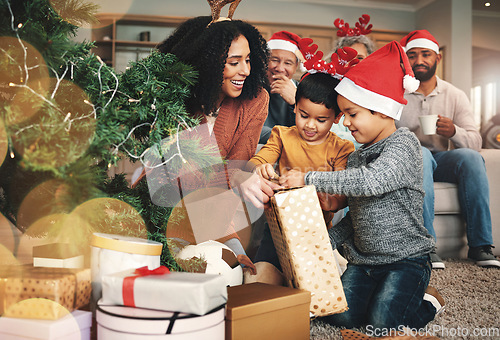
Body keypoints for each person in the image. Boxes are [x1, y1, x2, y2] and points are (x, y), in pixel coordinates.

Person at [282, 41, 443, 330]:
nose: (345, 122)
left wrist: (308, 178)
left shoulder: (403, 144)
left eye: (352, 114)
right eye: (343, 114)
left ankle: (428, 302)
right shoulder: (356, 157)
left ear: (381, 110)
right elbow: (356, 215)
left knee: (384, 323)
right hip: (364, 262)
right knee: (340, 315)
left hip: (405, 261)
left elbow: (371, 181)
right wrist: (325, 241)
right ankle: (383, 298)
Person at [153, 15, 278, 273]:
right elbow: (187, 178)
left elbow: (238, 163)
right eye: (234, 62)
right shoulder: (173, 96)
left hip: (213, 217)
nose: (245, 70)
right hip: (162, 212)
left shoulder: (256, 99)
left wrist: (241, 175)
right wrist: (237, 176)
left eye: (248, 60)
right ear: (207, 63)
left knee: (241, 276)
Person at [397, 29, 500, 269]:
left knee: (470, 158)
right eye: (412, 55)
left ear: (437, 58)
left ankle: (481, 245)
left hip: (442, 160)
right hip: (410, 160)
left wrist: (454, 132)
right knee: (420, 153)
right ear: (406, 59)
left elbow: (476, 142)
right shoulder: (397, 93)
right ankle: (426, 246)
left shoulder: (455, 95)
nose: (419, 60)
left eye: (425, 54)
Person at [245, 69, 356, 284]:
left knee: (315, 289)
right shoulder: (281, 135)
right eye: (303, 115)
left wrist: (328, 201)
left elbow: (343, 194)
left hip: (316, 235)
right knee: (256, 283)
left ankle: (333, 264)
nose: (310, 125)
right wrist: (259, 169)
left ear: (337, 117)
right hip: (276, 232)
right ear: (295, 106)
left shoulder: (342, 148)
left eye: (321, 119)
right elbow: (257, 161)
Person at [259, 31, 301, 144]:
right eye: (274, 60)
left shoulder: (305, 90)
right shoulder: (251, 88)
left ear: (296, 66)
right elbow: (251, 131)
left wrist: (295, 102)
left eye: (288, 63)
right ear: (265, 61)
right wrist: (291, 137)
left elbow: (313, 131)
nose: (280, 68)